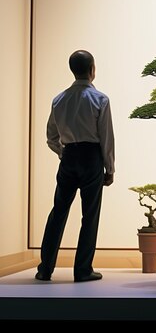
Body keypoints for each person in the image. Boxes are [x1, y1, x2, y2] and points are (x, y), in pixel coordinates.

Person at [36, 50, 115, 283]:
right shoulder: (100, 99)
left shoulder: (58, 99)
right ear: (92, 69)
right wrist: (109, 168)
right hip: (91, 158)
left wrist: (64, 153)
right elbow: (107, 137)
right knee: (89, 215)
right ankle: (82, 270)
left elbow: (51, 136)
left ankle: (45, 269)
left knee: (58, 212)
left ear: (73, 70)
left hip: (69, 156)